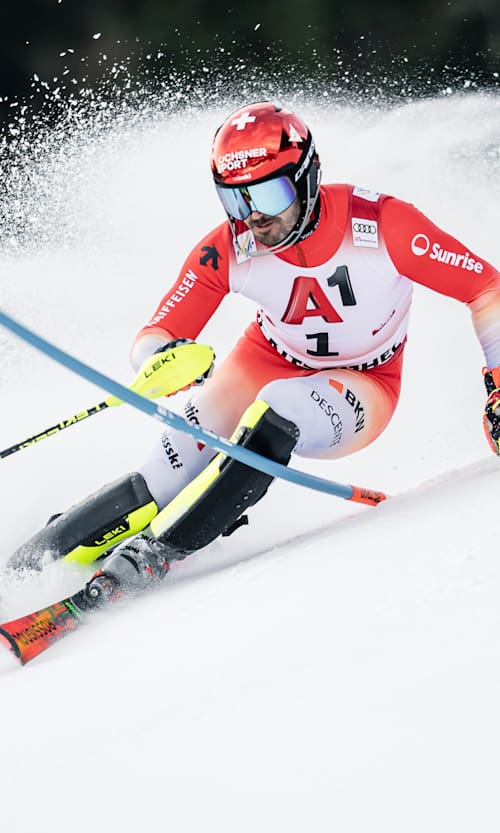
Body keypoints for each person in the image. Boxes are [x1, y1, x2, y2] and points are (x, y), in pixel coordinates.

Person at [10, 100, 500, 605]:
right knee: (166, 471)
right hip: (263, 360)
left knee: (279, 410)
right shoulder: (230, 245)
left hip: (364, 384)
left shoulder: (383, 225)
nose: (255, 217)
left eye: (268, 194)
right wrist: (163, 359)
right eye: (236, 200)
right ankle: (27, 568)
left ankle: (160, 553)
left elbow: (486, 288)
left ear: (307, 177)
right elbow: (156, 332)